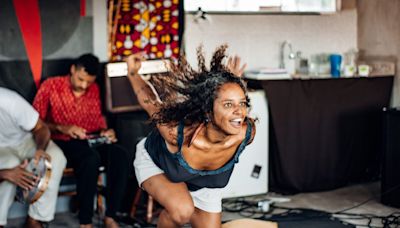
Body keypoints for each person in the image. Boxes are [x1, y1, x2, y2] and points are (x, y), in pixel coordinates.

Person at [126, 44, 255, 227]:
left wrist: (228, 85)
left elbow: (231, 106)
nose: (239, 112)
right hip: (158, 162)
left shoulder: (245, 133)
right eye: (228, 105)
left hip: (202, 182)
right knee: (182, 211)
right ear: (208, 112)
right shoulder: (176, 133)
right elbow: (150, 102)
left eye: (242, 103)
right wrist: (133, 73)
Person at [33, 54, 129, 228]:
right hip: (62, 140)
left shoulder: (94, 89)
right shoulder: (51, 86)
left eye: (89, 82)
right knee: (90, 159)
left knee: (120, 155)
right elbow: (34, 122)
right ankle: (86, 222)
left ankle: (111, 216)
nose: (84, 85)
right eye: (81, 79)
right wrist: (63, 128)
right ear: (72, 70)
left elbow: (98, 121)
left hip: (90, 138)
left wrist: (106, 132)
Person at [0, 87, 67, 228]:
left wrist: (40, 150)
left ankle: (35, 219)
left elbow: (41, 128)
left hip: (26, 140)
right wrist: (6, 173)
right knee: (9, 163)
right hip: (2, 151)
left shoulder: (8, 100)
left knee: (56, 158)